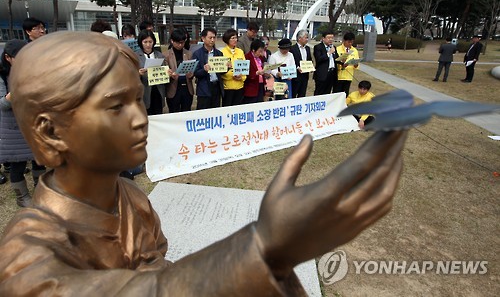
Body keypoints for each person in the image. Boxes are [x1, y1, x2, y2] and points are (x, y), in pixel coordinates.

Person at [0, 31, 407, 296]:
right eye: (115, 106)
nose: (141, 117)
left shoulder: (129, 197)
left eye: (138, 99)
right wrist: (260, 248)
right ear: (51, 132)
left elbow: (158, 269)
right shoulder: (25, 253)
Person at [0, 39, 45, 207]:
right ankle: (22, 197)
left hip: (32, 122)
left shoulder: (32, 71)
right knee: (17, 163)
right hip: (13, 126)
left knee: (38, 159)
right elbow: (2, 105)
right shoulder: (2, 76)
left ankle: (41, 189)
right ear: (8, 57)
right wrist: (15, 92)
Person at [193, 28, 225, 109]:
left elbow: (222, 71)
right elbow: (195, 72)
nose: (212, 40)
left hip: (216, 87)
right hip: (204, 89)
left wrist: (227, 67)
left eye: (214, 37)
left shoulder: (219, 53)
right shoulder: (197, 54)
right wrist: (204, 70)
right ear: (203, 38)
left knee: (215, 112)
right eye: (210, 38)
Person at [164, 28, 194, 113]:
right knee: (174, 112)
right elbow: (165, 71)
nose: (180, 45)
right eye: (178, 43)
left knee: (187, 111)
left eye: (182, 42)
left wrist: (191, 75)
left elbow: (192, 69)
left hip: (187, 87)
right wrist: (170, 74)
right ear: (172, 41)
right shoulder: (166, 55)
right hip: (173, 88)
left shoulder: (189, 53)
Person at [137, 29, 166, 115]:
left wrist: (167, 73)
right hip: (144, 91)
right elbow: (130, 75)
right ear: (140, 42)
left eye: (150, 42)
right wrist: (138, 74)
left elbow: (164, 71)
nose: (148, 45)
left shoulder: (159, 55)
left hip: (158, 90)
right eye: (145, 42)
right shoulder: (136, 56)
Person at [221, 29, 246, 106]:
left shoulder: (240, 52)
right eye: (232, 38)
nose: (235, 40)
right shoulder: (222, 52)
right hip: (228, 87)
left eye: (236, 38)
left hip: (239, 86)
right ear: (227, 39)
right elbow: (221, 70)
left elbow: (244, 67)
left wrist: (242, 77)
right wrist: (232, 75)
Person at [313, 31, 338, 96]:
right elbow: (319, 59)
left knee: (328, 92)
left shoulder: (333, 47)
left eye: (332, 38)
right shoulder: (318, 47)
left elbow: (336, 59)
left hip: (332, 73)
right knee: (319, 92)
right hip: (322, 74)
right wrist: (329, 53)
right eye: (328, 38)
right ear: (323, 38)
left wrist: (342, 60)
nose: (331, 40)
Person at [334, 32, 359, 96]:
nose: (350, 44)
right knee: (337, 94)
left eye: (352, 42)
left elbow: (356, 63)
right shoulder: (337, 49)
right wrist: (341, 64)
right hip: (339, 76)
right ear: (344, 41)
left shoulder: (354, 50)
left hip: (348, 76)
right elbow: (335, 61)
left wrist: (356, 64)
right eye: (348, 42)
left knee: (345, 94)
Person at [243, 39, 268, 104]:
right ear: (253, 50)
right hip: (251, 87)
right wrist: (256, 73)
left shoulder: (260, 58)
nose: (261, 53)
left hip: (260, 85)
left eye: (262, 51)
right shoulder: (247, 58)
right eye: (259, 51)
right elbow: (245, 73)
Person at [290, 30, 312, 98]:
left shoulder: (307, 48)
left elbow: (310, 59)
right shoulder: (292, 48)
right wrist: (297, 67)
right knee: (294, 93)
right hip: (296, 75)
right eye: (306, 37)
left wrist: (310, 67)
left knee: (302, 94)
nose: (307, 39)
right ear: (299, 38)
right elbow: (291, 61)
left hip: (305, 75)